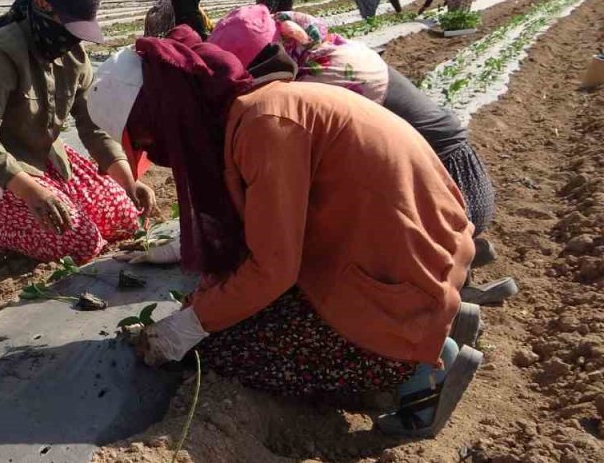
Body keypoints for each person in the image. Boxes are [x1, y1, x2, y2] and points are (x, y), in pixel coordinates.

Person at [88, 28, 482, 437]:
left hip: (400, 283)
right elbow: (262, 228)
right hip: (413, 259)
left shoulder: (265, 127)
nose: (156, 154)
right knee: (236, 315)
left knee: (229, 349)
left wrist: (190, 325)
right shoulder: (259, 108)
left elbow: (271, 269)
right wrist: (185, 261)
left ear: (167, 110)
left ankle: (416, 369)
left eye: (150, 139)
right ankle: (436, 325)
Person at [207, 5, 516, 305]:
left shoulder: (312, 86)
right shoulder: (327, 52)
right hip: (455, 177)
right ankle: (455, 263)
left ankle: (441, 293)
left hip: (450, 192)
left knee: (334, 262)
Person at [0, 0, 155, 273]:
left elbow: (93, 128)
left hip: (41, 155)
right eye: (67, 26)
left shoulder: (74, 57)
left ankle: (35, 207)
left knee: (124, 216)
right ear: (42, 4)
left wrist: (128, 181)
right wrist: (31, 192)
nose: (71, 39)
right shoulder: (1, 54)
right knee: (78, 242)